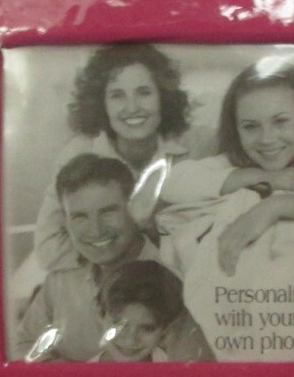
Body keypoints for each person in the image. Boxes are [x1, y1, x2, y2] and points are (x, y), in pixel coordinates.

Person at [15, 154, 215, 363]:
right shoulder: (61, 280)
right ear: (65, 221)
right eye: (80, 216)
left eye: (108, 212)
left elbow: (191, 368)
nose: (95, 230)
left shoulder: (175, 274)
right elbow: (25, 347)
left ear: (135, 208)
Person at [30, 43, 206, 272]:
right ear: (101, 104)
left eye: (144, 92)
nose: (132, 107)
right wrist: (128, 242)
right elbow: (49, 250)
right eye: (117, 96)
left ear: (163, 97)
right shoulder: (78, 154)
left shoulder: (198, 146)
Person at [158, 58, 294, 276]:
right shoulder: (236, 162)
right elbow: (173, 183)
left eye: (280, 121)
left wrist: (275, 206)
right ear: (236, 128)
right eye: (250, 126)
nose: (266, 139)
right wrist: (264, 177)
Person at [91, 260, 186, 363]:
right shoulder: (84, 372)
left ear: (165, 329)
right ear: (100, 314)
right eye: (119, 324)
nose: (130, 340)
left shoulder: (176, 364)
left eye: (147, 328)